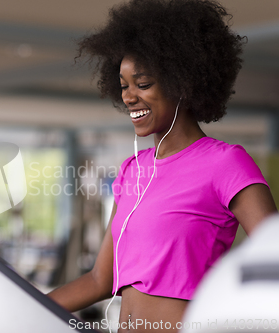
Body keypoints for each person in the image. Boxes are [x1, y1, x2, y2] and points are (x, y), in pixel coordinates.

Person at [48, 0, 277, 331]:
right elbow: (101, 279)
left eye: (142, 84)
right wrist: (19, 305)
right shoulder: (131, 170)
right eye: (124, 85)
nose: (128, 97)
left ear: (181, 83)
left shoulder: (225, 163)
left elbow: (271, 261)